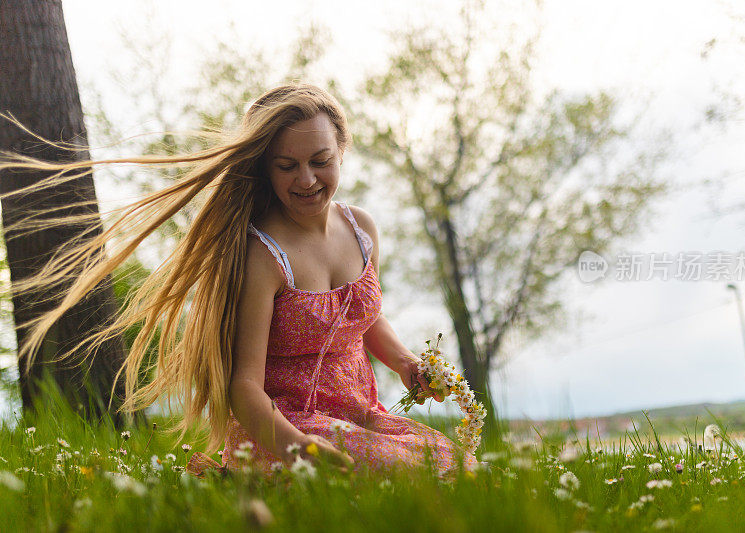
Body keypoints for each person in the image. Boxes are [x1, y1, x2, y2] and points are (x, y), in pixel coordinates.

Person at [1, 82, 477, 479]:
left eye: (321, 160)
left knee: (458, 465)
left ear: (342, 152)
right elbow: (244, 389)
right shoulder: (263, 255)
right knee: (401, 474)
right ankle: (251, 476)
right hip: (284, 428)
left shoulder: (362, 229)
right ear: (265, 168)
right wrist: (302, 452)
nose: (307, 179)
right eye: (287, 165)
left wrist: (406, 364)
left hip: (357, 415)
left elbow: (365, 317)